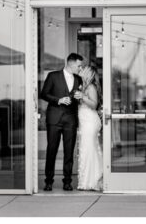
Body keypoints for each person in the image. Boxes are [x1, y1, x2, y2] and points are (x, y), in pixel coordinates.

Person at [40, 53, 85, 191]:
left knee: (69, 152)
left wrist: (79, 97)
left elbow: (77, 99)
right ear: (71, 63)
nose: (80, 68)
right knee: (51, 151)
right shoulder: (53, 76)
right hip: (54, 119)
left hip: (70, 119)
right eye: (79, 65)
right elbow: (43, 94)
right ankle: (48, 181)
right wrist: (58, 100)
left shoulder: (78, 79)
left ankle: (67, 181)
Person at [76, 65, 102, 191]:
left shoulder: (91, 87)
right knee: (86, 149)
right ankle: (89, 179)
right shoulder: (84, 87)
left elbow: (94, 104)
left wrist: (83, 97)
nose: (80, 71)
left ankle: (92, 181)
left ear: (87, 73)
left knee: (88, 149)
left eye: (82, 70)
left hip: (90, 122)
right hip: (84, 122)